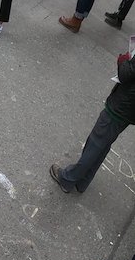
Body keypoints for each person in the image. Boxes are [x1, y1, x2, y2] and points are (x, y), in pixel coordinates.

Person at [50, 46, 135, 194]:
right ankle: (83, 181)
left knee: (96, 143)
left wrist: (124, 61)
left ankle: (68, 179)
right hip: (128, 110)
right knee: (103, 144)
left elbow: (126, 73)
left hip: (123, 105)